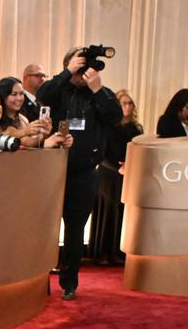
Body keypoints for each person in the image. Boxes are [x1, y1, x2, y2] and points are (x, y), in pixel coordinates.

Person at [37, 45, 121, 300]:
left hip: (84, 172)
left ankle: (69, 282)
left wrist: (96, 89)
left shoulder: (100, 94)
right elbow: (42, 95)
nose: (81, 74)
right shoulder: (58, 90)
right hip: (50, 171)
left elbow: (115, 116)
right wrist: (66, 73)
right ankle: (37, 279)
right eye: (78, 68)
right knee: (43, 227)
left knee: (74, 230)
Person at [90, 88, 142, 265]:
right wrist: (118, 168)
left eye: (130, 103)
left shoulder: (136, 128)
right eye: (124, 103)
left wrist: (129, 167)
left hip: (127, 173)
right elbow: (102, 152)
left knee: (121, 212)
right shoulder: (109, 126)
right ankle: (103, 253)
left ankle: (118, 252)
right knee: (107, 212)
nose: (127, 106)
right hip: (108, 173)